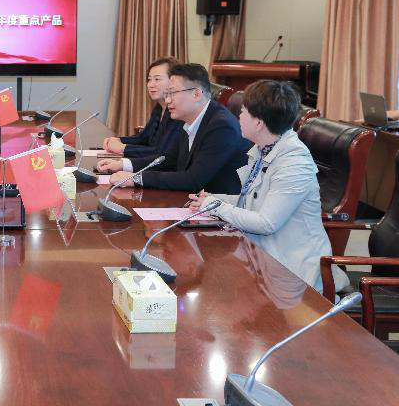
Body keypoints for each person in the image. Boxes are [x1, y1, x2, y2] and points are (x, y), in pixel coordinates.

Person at [187, 80, 348, 293]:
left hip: (293, 274)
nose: (238, 117)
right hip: (261, 260)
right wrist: (214, 200)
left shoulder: (294, 162)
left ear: (259, 123)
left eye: (243, 112)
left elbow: (266, 223)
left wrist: (216, 206)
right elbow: (253, 200)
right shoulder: (264, 148)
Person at [108, 63, 249, 193]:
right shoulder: (189, 119)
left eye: (173, 93)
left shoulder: (222, 127)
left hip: (218, 206)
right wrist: (123, 164)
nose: (168, 100)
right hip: (193, 200)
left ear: (196, 94)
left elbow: (193, 180)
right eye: (167, 94)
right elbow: (168, 160)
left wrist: (136, 179)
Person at [97, 57, 184, 173]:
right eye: (149, 79)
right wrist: (119, 140)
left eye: (157, 79)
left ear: (174, 81)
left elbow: (161, 153)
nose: (151, 84)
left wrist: (123, 148)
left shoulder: (179, 112)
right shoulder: (159, 108)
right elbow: (143, 138)